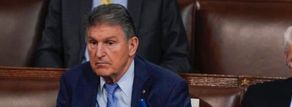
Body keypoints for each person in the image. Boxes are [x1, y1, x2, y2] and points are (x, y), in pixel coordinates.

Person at [39, 4, 202, 107]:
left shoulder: (167, 87)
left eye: (110, 43)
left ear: (132, 46)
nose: (99, 53)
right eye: (93, 43)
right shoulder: (74, 81)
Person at [33, 0, 191, 73]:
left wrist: (147, 86)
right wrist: (69, 84)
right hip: (79, 93)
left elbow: (178, 57)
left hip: (138, 96)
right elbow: (47, 52)